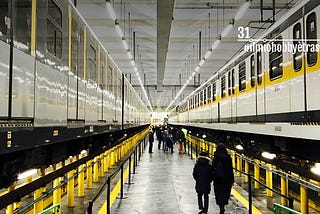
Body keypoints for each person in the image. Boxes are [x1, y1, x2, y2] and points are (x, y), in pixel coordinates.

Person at [212, 143, 234, 214]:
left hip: (218, 179)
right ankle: (223, 205)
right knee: (225, 193)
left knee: (218, 193)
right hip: (227, 179)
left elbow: (213, 168)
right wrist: (232, 180)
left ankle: (220, 206)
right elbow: (230, 169)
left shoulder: (215, 158)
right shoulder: (228, 158)